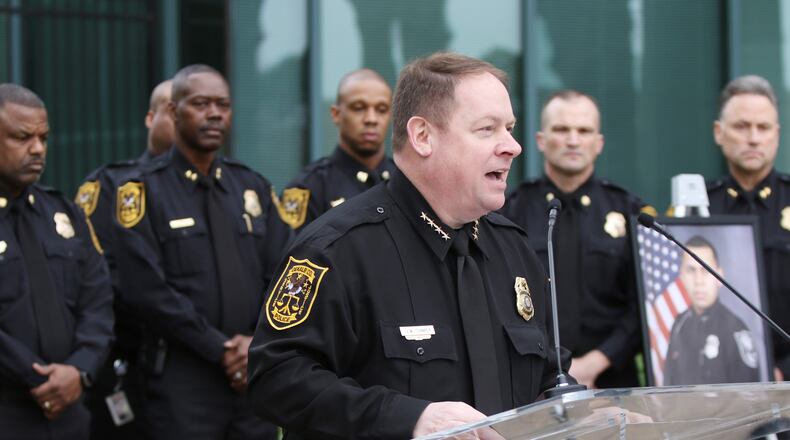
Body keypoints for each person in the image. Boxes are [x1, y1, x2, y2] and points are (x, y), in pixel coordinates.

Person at [248, 52, 572, 439]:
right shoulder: (337, 250)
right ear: (422, 136)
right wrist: (408, 418)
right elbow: (275, 378)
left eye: (510, 128)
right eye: (487, 129)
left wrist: (591, 414)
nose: (513, 146)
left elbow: (550, 379)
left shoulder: (513, 249)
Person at [112, 65, 293, 439]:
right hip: (183, 379)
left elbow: (284, 272)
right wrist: (220, 349)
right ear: (174, 111)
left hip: (252, 372)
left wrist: (255, 342)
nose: (214, 114)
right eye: (201, 104)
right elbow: (146, 291)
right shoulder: (141, 192)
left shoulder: (252, 187)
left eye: (223, 105)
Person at [502, 90, 653, 389]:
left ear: (599, 143)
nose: (573, 140)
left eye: (584, 131)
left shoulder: (631, 212)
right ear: (541, 140)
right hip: (532, 382)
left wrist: (596, 362)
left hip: (612, 383)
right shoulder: (510, 211)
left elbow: (646, 303)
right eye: (561, 130)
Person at [0, 83, 113, 437]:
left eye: (43, 138)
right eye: (22, 137)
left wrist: (78, 370)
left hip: (69, 407)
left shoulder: (63, 213)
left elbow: (98, 300)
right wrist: (38, 378)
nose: (37, 149)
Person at [74, 79, 174, 439]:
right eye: (173, 109)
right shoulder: (110, 185)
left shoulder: (233, 187)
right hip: (131, 360)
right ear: (150, 117)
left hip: (206, 372)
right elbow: (96, 277)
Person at [707, 75, 790, 381]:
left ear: (776, 135)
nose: (753, 138)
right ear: (719, 132)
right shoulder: (697, 208)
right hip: (715, 383)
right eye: (742, 127)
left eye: (763, 127)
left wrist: (782, 371)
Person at [280, 68, 397, 231]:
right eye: (359, 108)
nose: (371, 119)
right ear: (336, 114)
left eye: (381, 109)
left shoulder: (405, 180)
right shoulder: (308, 188)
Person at [663, 236, 760, 385]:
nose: (698, 281)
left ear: (719, 276)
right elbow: (669, 384)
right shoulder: (679, 325)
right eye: (691, 270)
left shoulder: (735, 329)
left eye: (706, 270)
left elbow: (749, 392)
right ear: (681, 276)